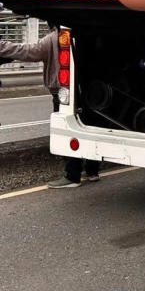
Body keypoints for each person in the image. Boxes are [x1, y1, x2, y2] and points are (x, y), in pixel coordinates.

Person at [0, 27, 100, 188]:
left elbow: (29, 52)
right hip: (88, 90)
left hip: (63, 93)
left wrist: (2, 46)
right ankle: (92, 171)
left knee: (68, 132)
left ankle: (72, 176)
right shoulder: (85, 33)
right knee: (89, 127)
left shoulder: (57, 37)